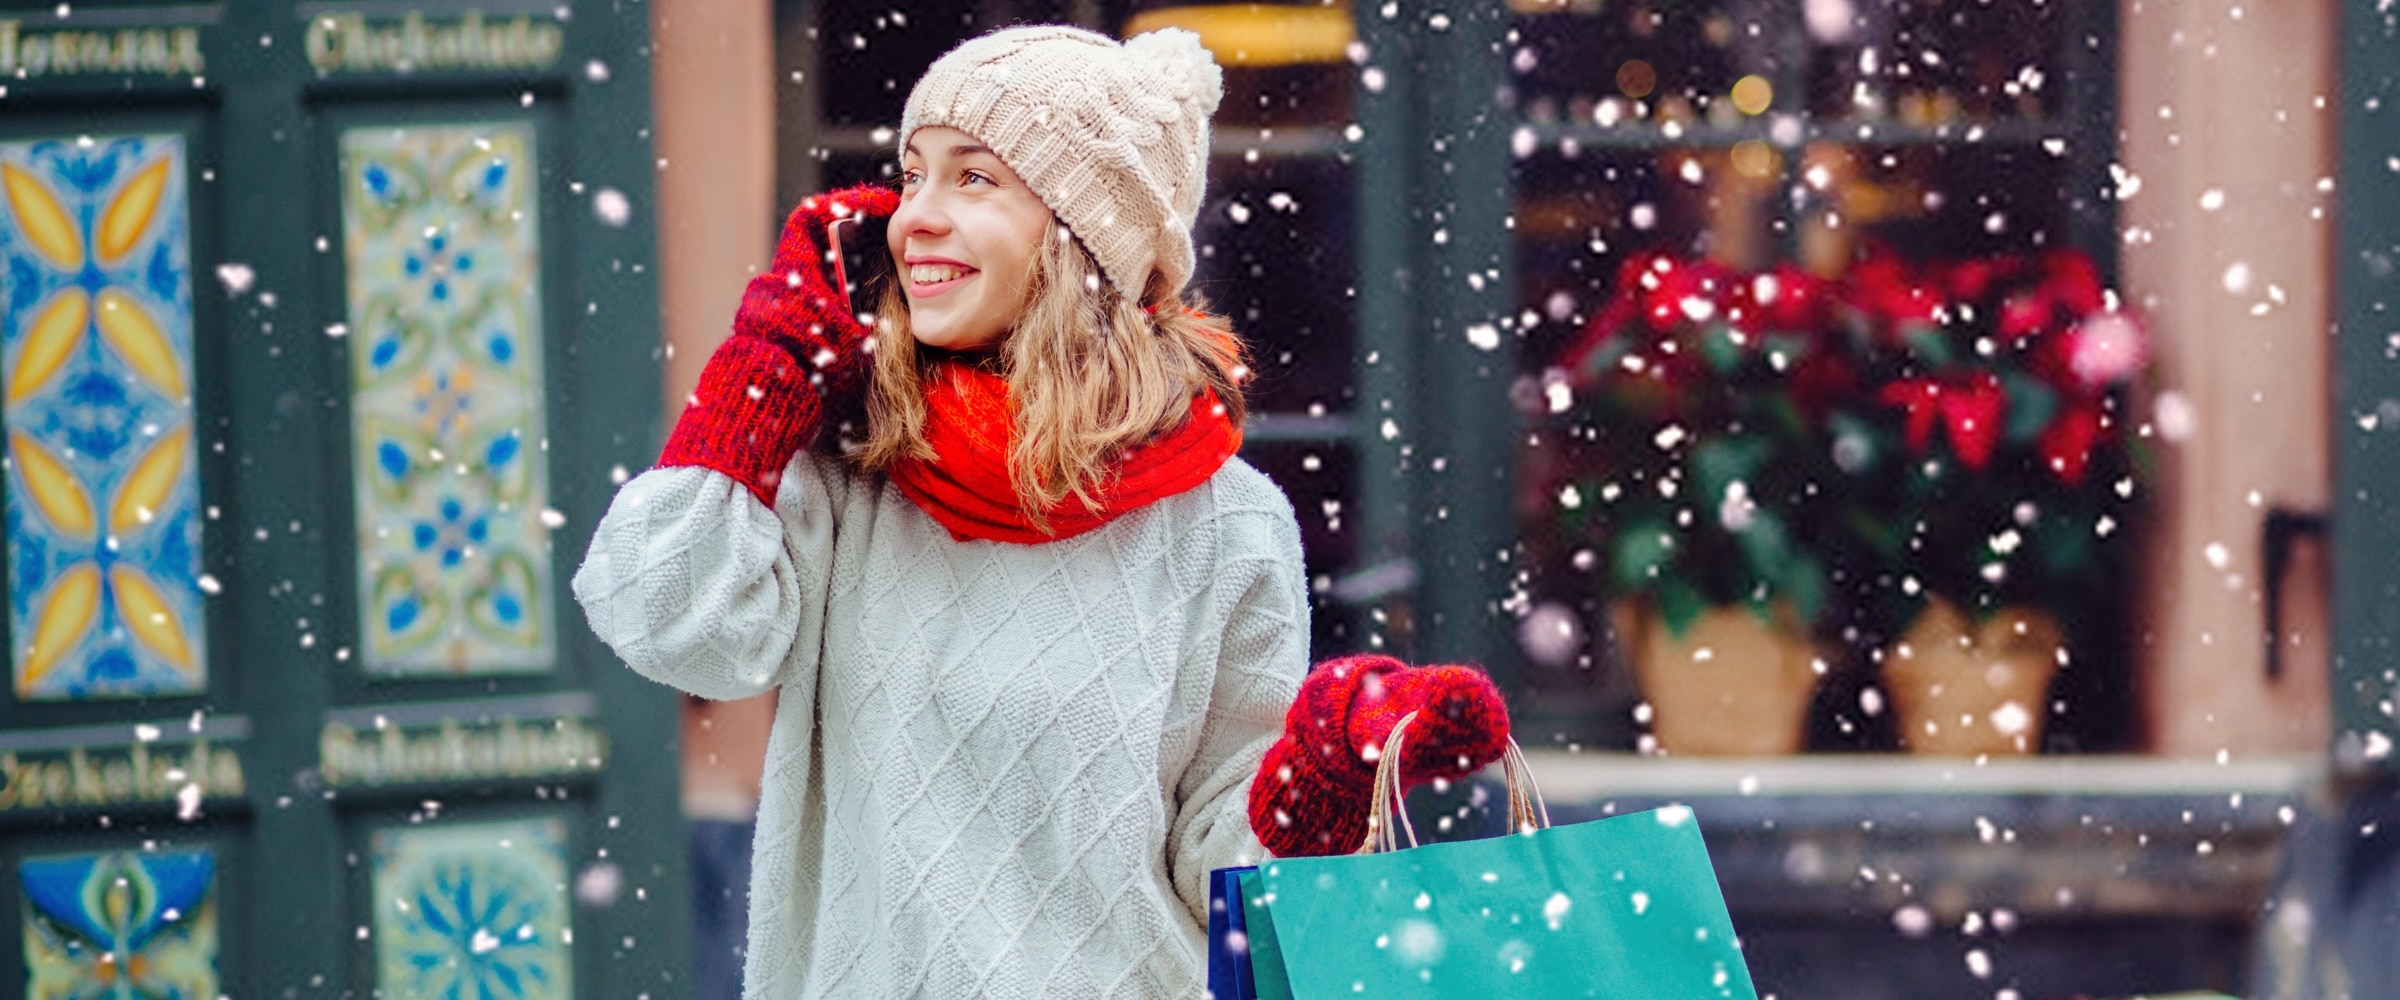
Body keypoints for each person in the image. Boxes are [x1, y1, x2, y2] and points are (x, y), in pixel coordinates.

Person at [573, 24, 1513, 998]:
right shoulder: (854, 471)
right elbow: (668, 624)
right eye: (913, 173)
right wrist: (762, 374)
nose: (914, 217)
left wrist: (1321, 772)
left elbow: (1223, 868)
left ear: (1084, 233)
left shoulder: (1228, 524)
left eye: (974, 179)